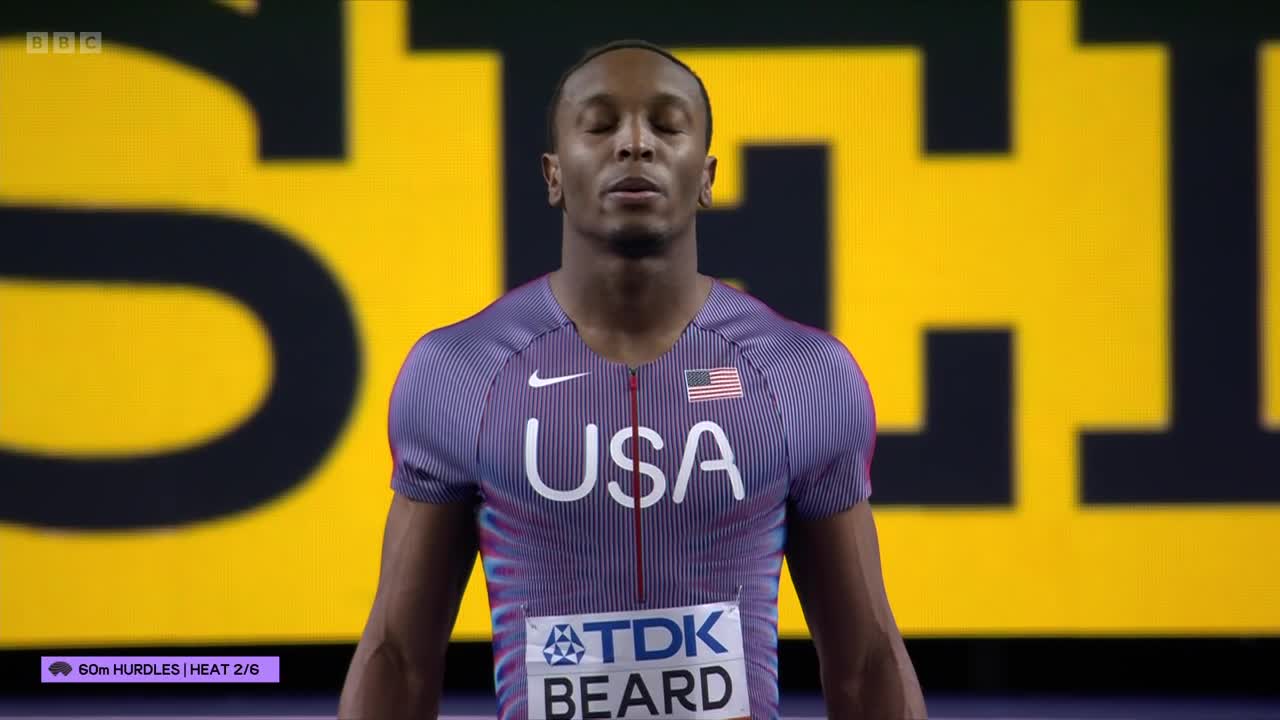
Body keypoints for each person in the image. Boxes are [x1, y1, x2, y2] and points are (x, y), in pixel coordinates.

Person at [338, 39, 926, 720]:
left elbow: (866, 662)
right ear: (553, 175)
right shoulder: (460, 375)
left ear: (706, 176)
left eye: (668, 126)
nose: (635, 144)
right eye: (600, 125)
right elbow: (398, 658)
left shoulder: (802, 377)